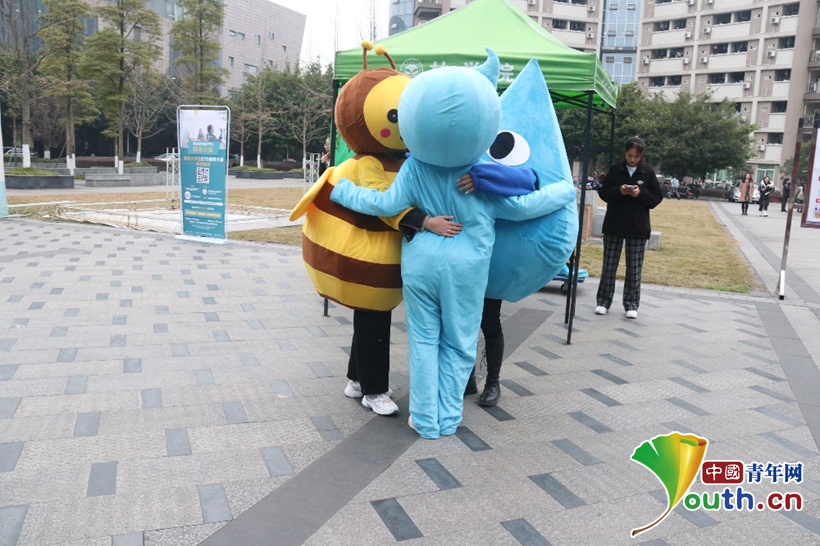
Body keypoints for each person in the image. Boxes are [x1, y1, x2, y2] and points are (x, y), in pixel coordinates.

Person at [594, 136, 664, 320]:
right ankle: (603, 302)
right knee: (609, 266)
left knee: (634, 268)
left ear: (642, 155)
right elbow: (603, 192)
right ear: (624, 153)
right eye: (629, 155)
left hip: (637, 227)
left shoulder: (647, 173)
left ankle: (631, 304)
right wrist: (619, 191)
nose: (632, 159)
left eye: (636, 157)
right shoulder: (615, 170)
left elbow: (656, 198)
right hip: (614, 225)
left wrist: (640, 193)